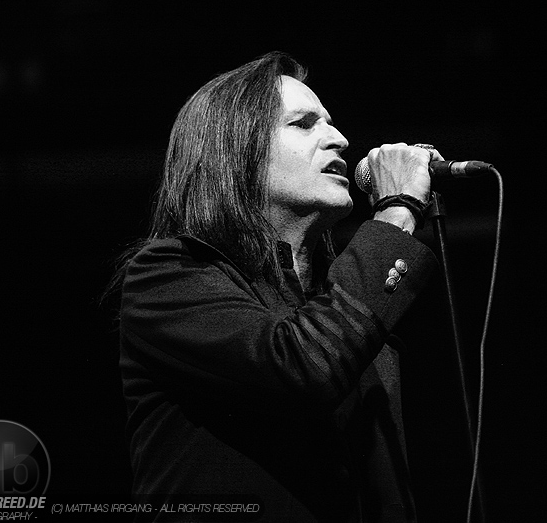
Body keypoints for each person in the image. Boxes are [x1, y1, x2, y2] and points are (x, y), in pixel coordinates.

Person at [114, 51, 441, 522]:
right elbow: (302, 366)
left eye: (330, 123)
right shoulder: (167, 277)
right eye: (304, 124)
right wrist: (398, 209)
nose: (340, 139)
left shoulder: (350, 310)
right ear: (237, 153)